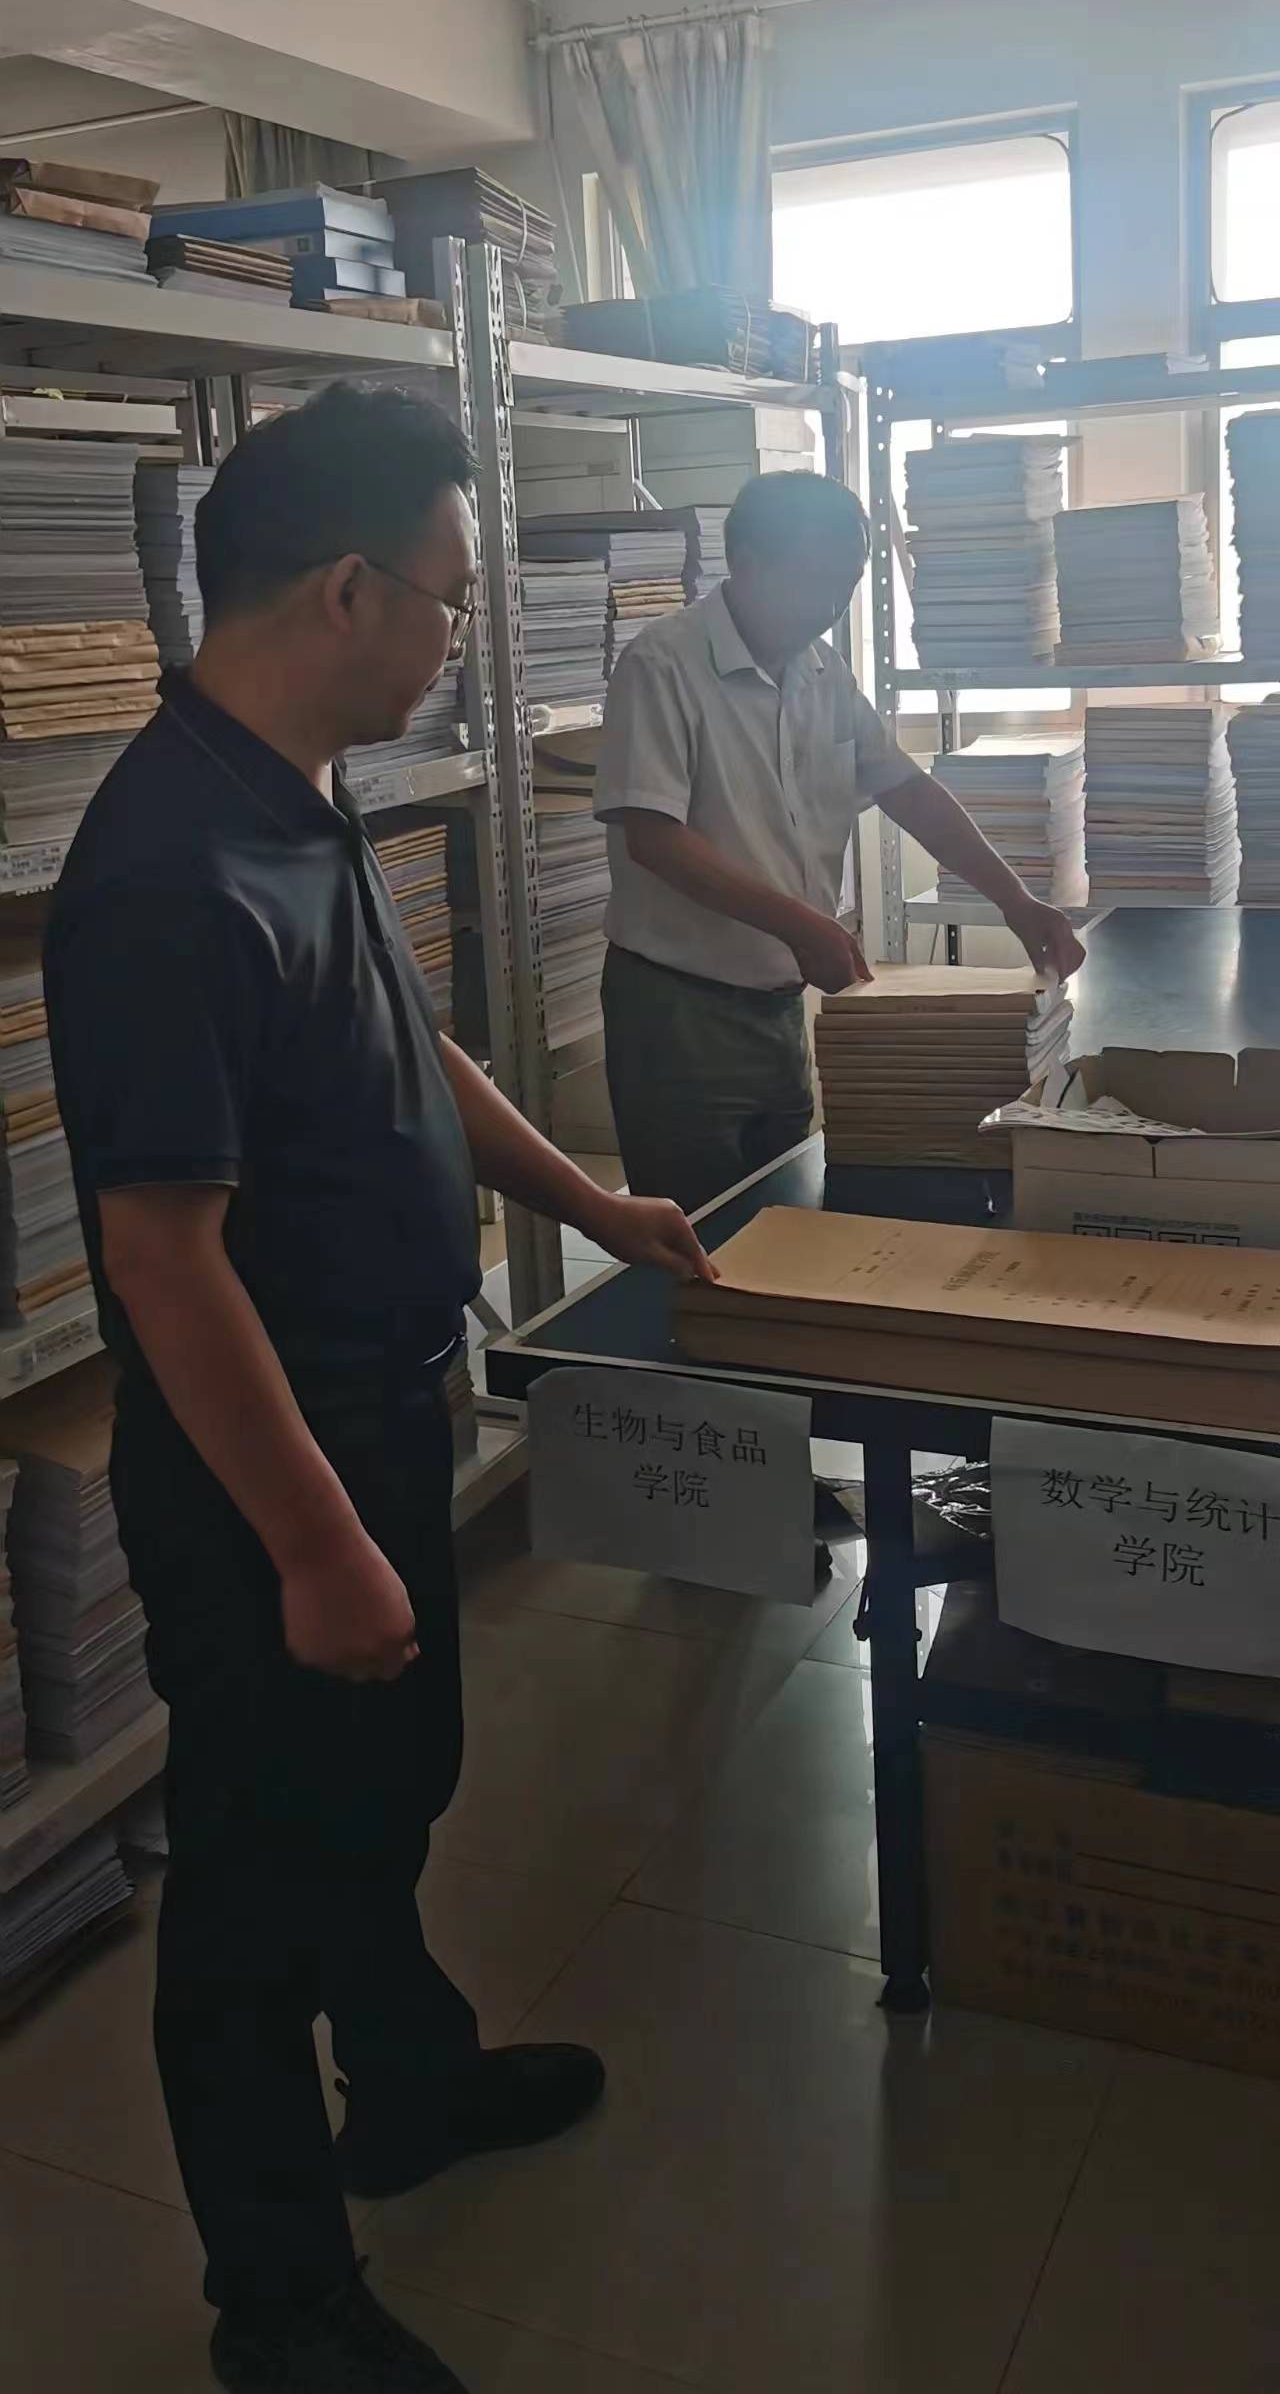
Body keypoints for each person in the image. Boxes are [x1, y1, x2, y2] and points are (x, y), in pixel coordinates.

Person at [44, 382, 714, 2394]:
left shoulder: (295, 794)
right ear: (347, 590)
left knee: (380, 1795)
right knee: (254, 1890)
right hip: (271, 1474)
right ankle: (279, 2303)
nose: (454, 635)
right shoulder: (165, 870)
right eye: (447, 594)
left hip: (379, 1412)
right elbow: (162, 1258)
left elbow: (412, 1052)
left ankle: (408, 2077)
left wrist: (589, 1199)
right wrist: (320, 1545)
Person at [595, 470, 1086, 1211]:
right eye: (816, 580)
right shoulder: (662, 665)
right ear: (747, 563)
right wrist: (800, 924)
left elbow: (906, 789)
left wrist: (1014, 901)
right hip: (677, 1009)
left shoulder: (823, 671)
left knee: (786, 1216)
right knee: (698, 1233)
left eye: (848, 583)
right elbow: (654, 839)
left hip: (778, 1003)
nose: (832, 605)